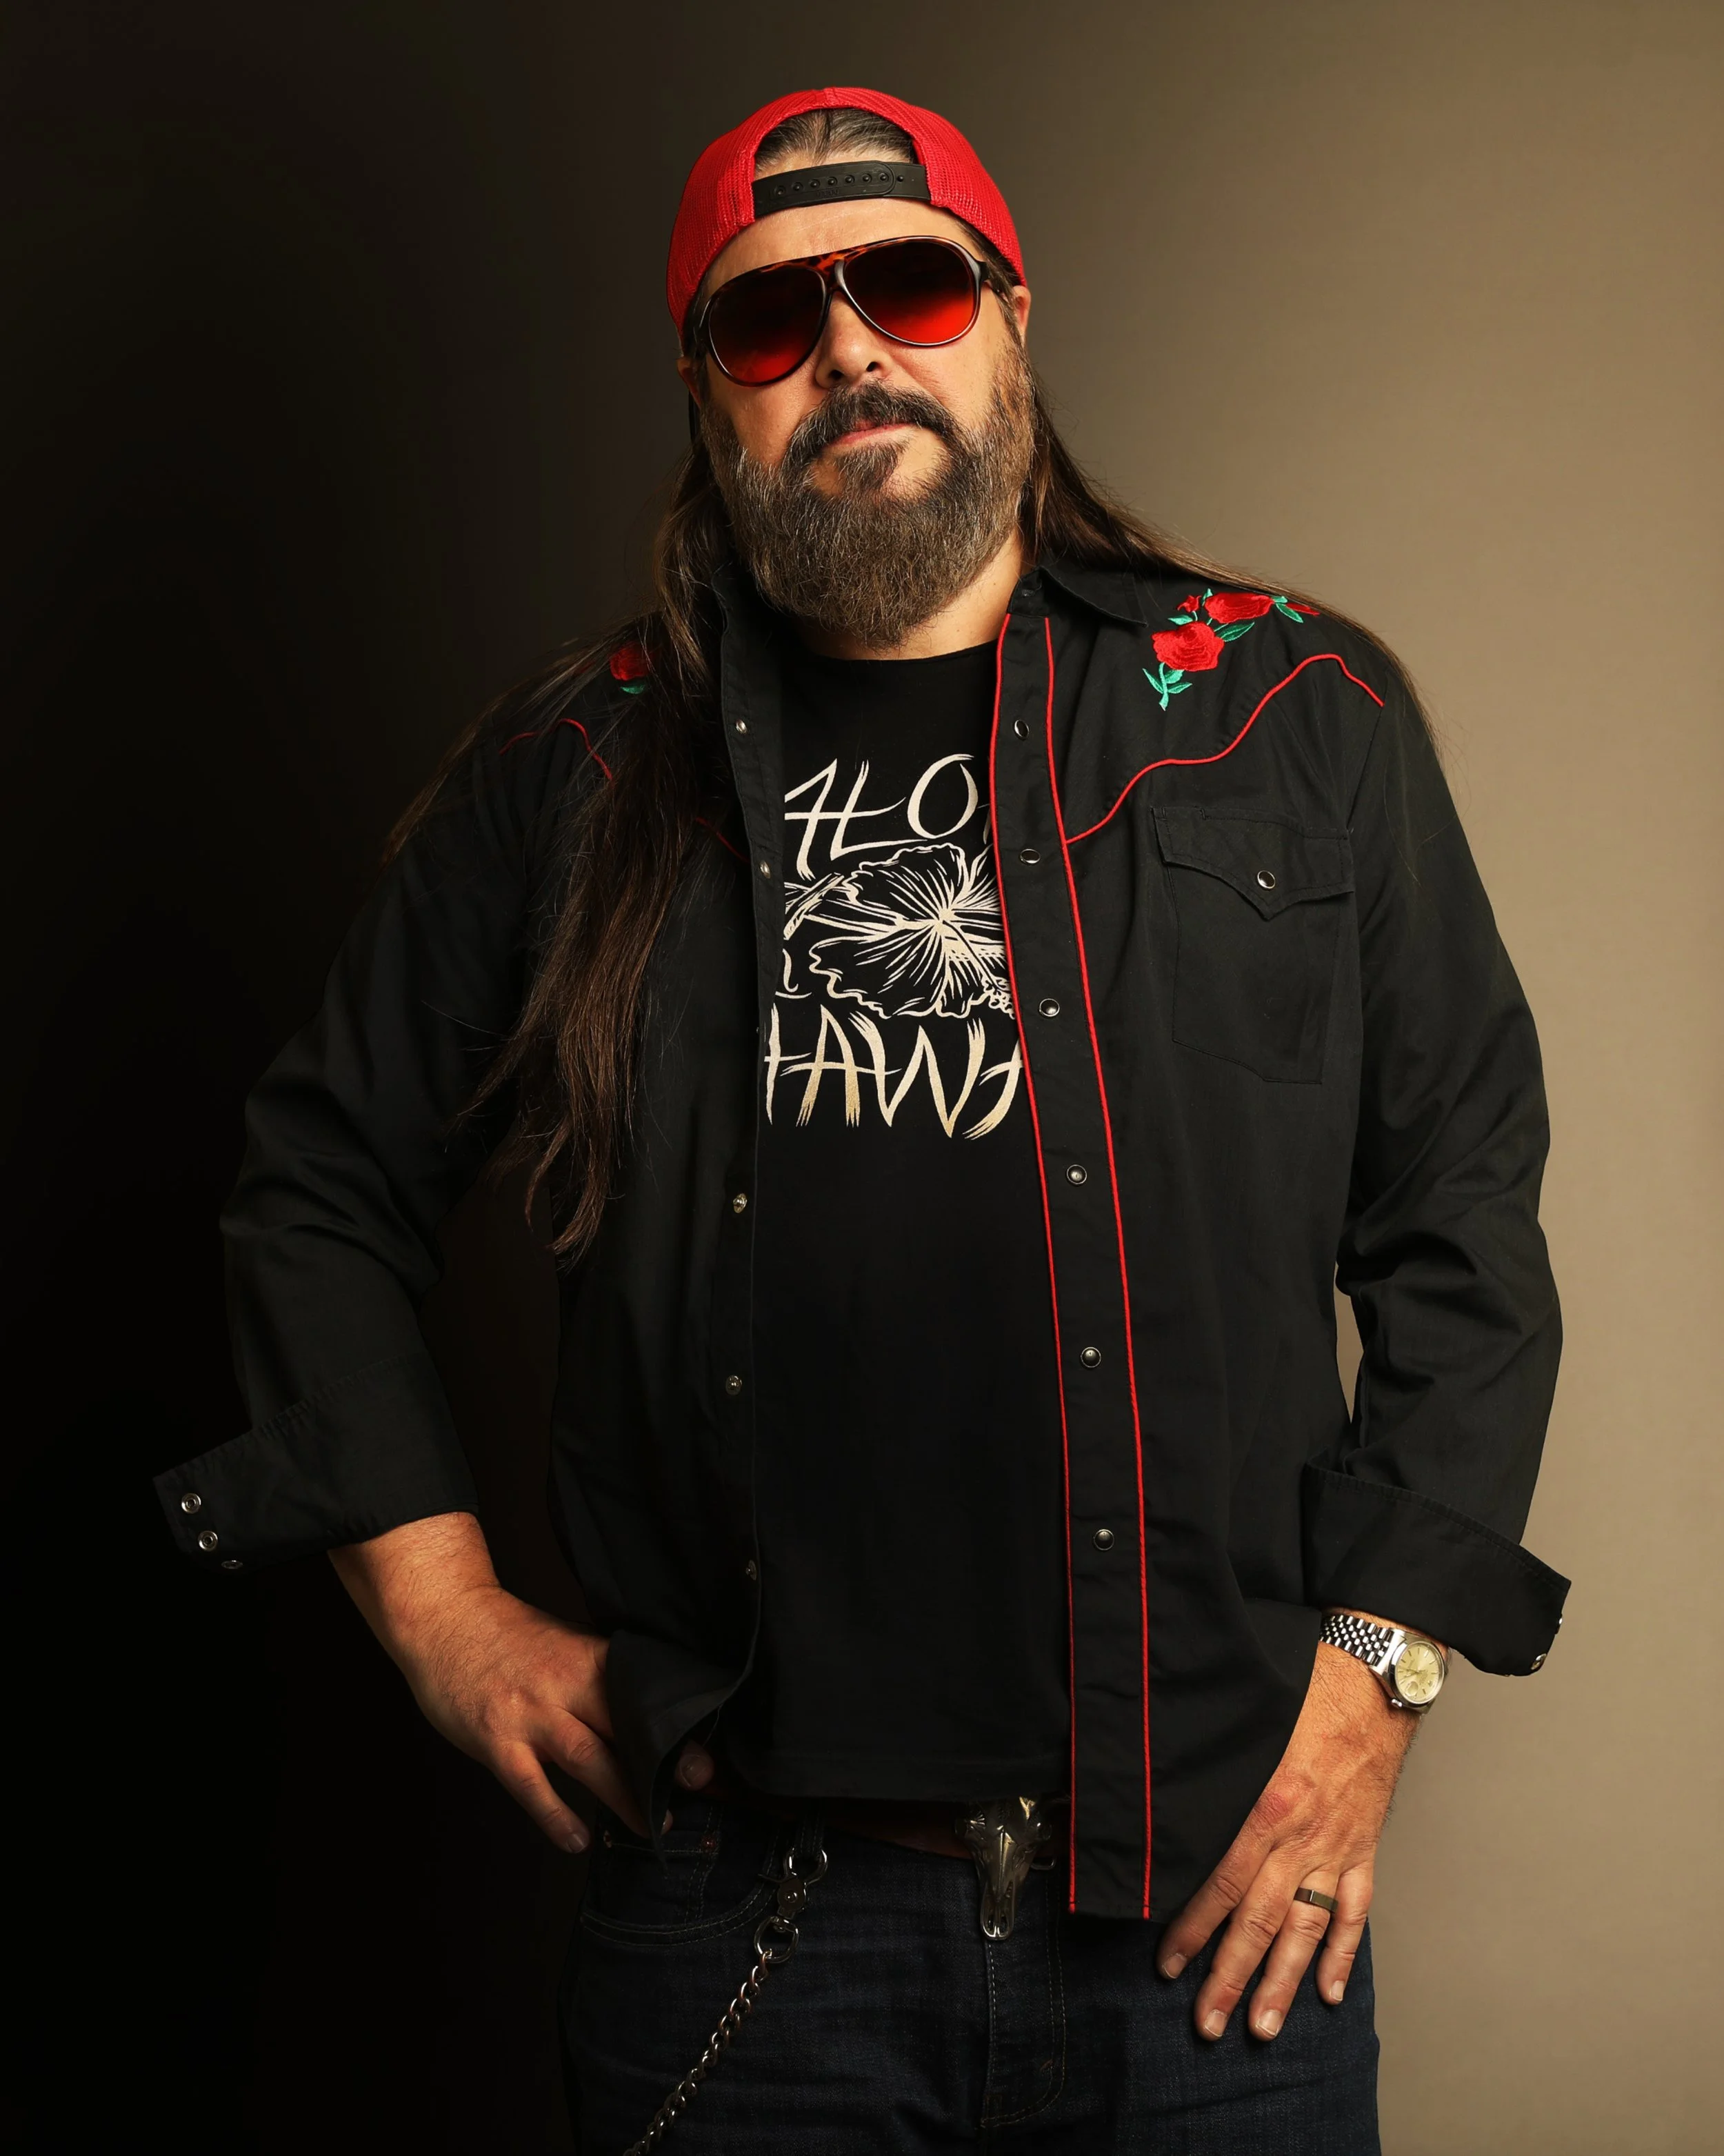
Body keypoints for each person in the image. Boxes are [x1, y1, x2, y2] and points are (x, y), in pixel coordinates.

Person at [157, 86, 1569, 2155]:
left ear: (1007, 317)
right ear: (709, 396)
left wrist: (1372, 1691)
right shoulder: (576, 765)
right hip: (743, 1920)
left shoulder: (1280, 714)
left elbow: (1460, 1226)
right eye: (769, 320)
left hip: (1202, 1917)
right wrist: (444, 1618)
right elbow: (317, 1184)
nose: (848, 349)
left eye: (905, 283)